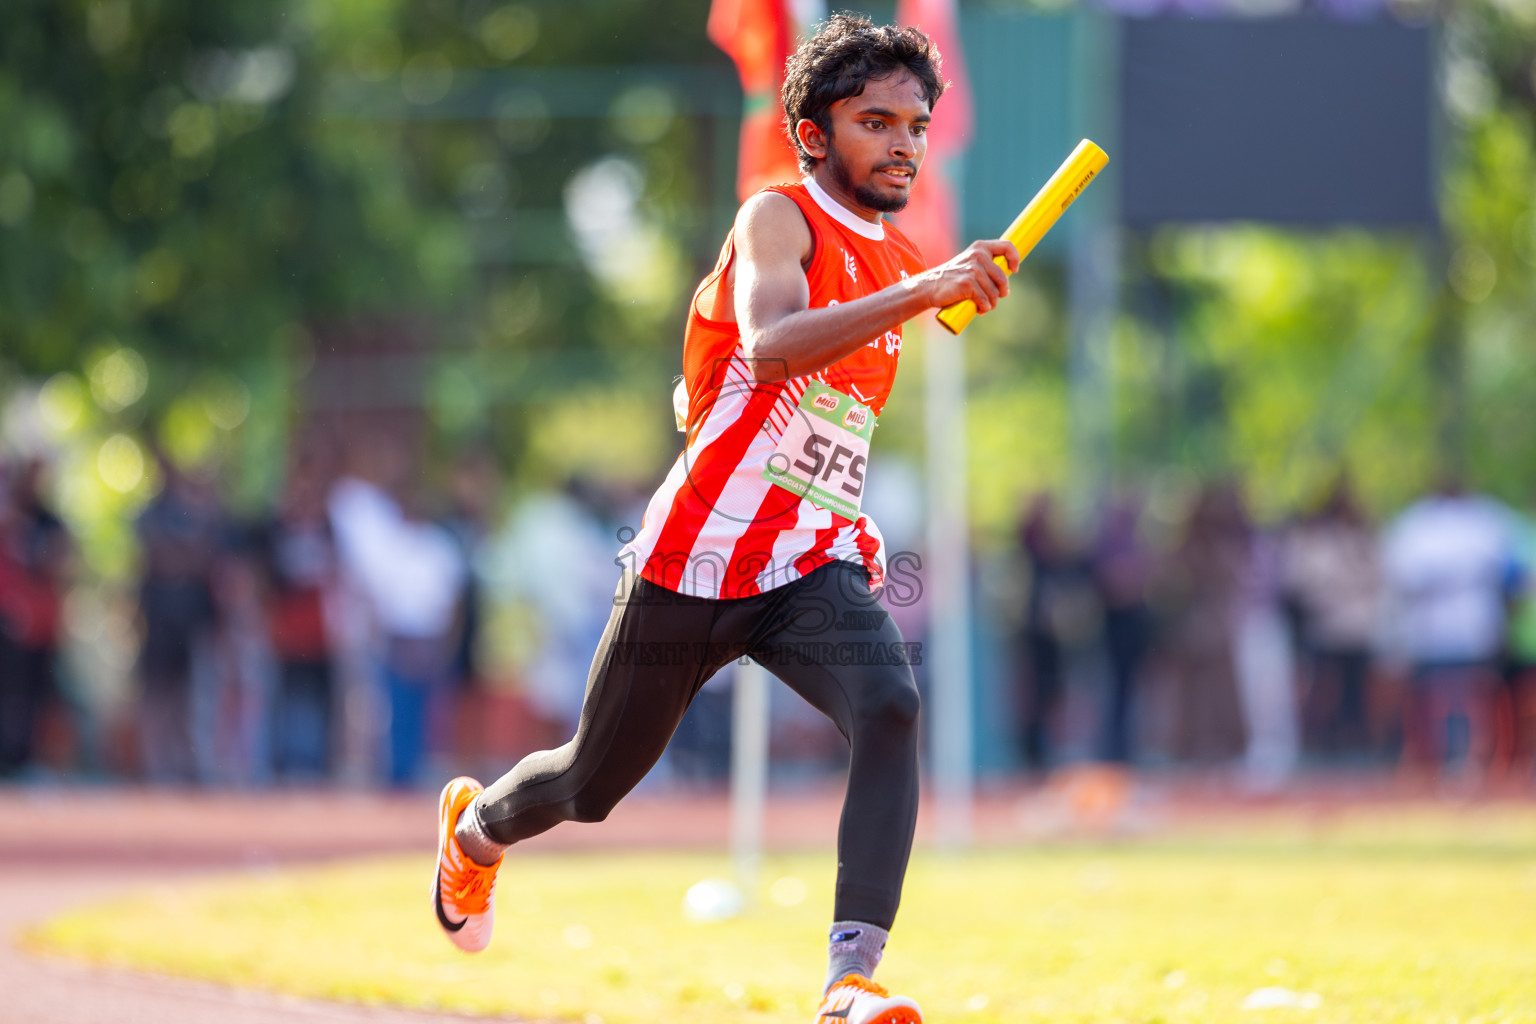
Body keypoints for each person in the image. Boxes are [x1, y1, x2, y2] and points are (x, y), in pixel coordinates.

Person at [431, 16, 1020, 1024]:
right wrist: (927, 288)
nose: (903, 144)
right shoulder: (776, 217)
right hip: (694, 558)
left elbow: (823, 426)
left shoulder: (897, 259)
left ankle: (850, 982)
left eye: (916, 125)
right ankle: (475, 829)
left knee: (892, 707)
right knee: (590, 783)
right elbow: (775, 344)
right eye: (875, 121)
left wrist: (837, 496)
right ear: (812, 133)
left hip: (803, 566)